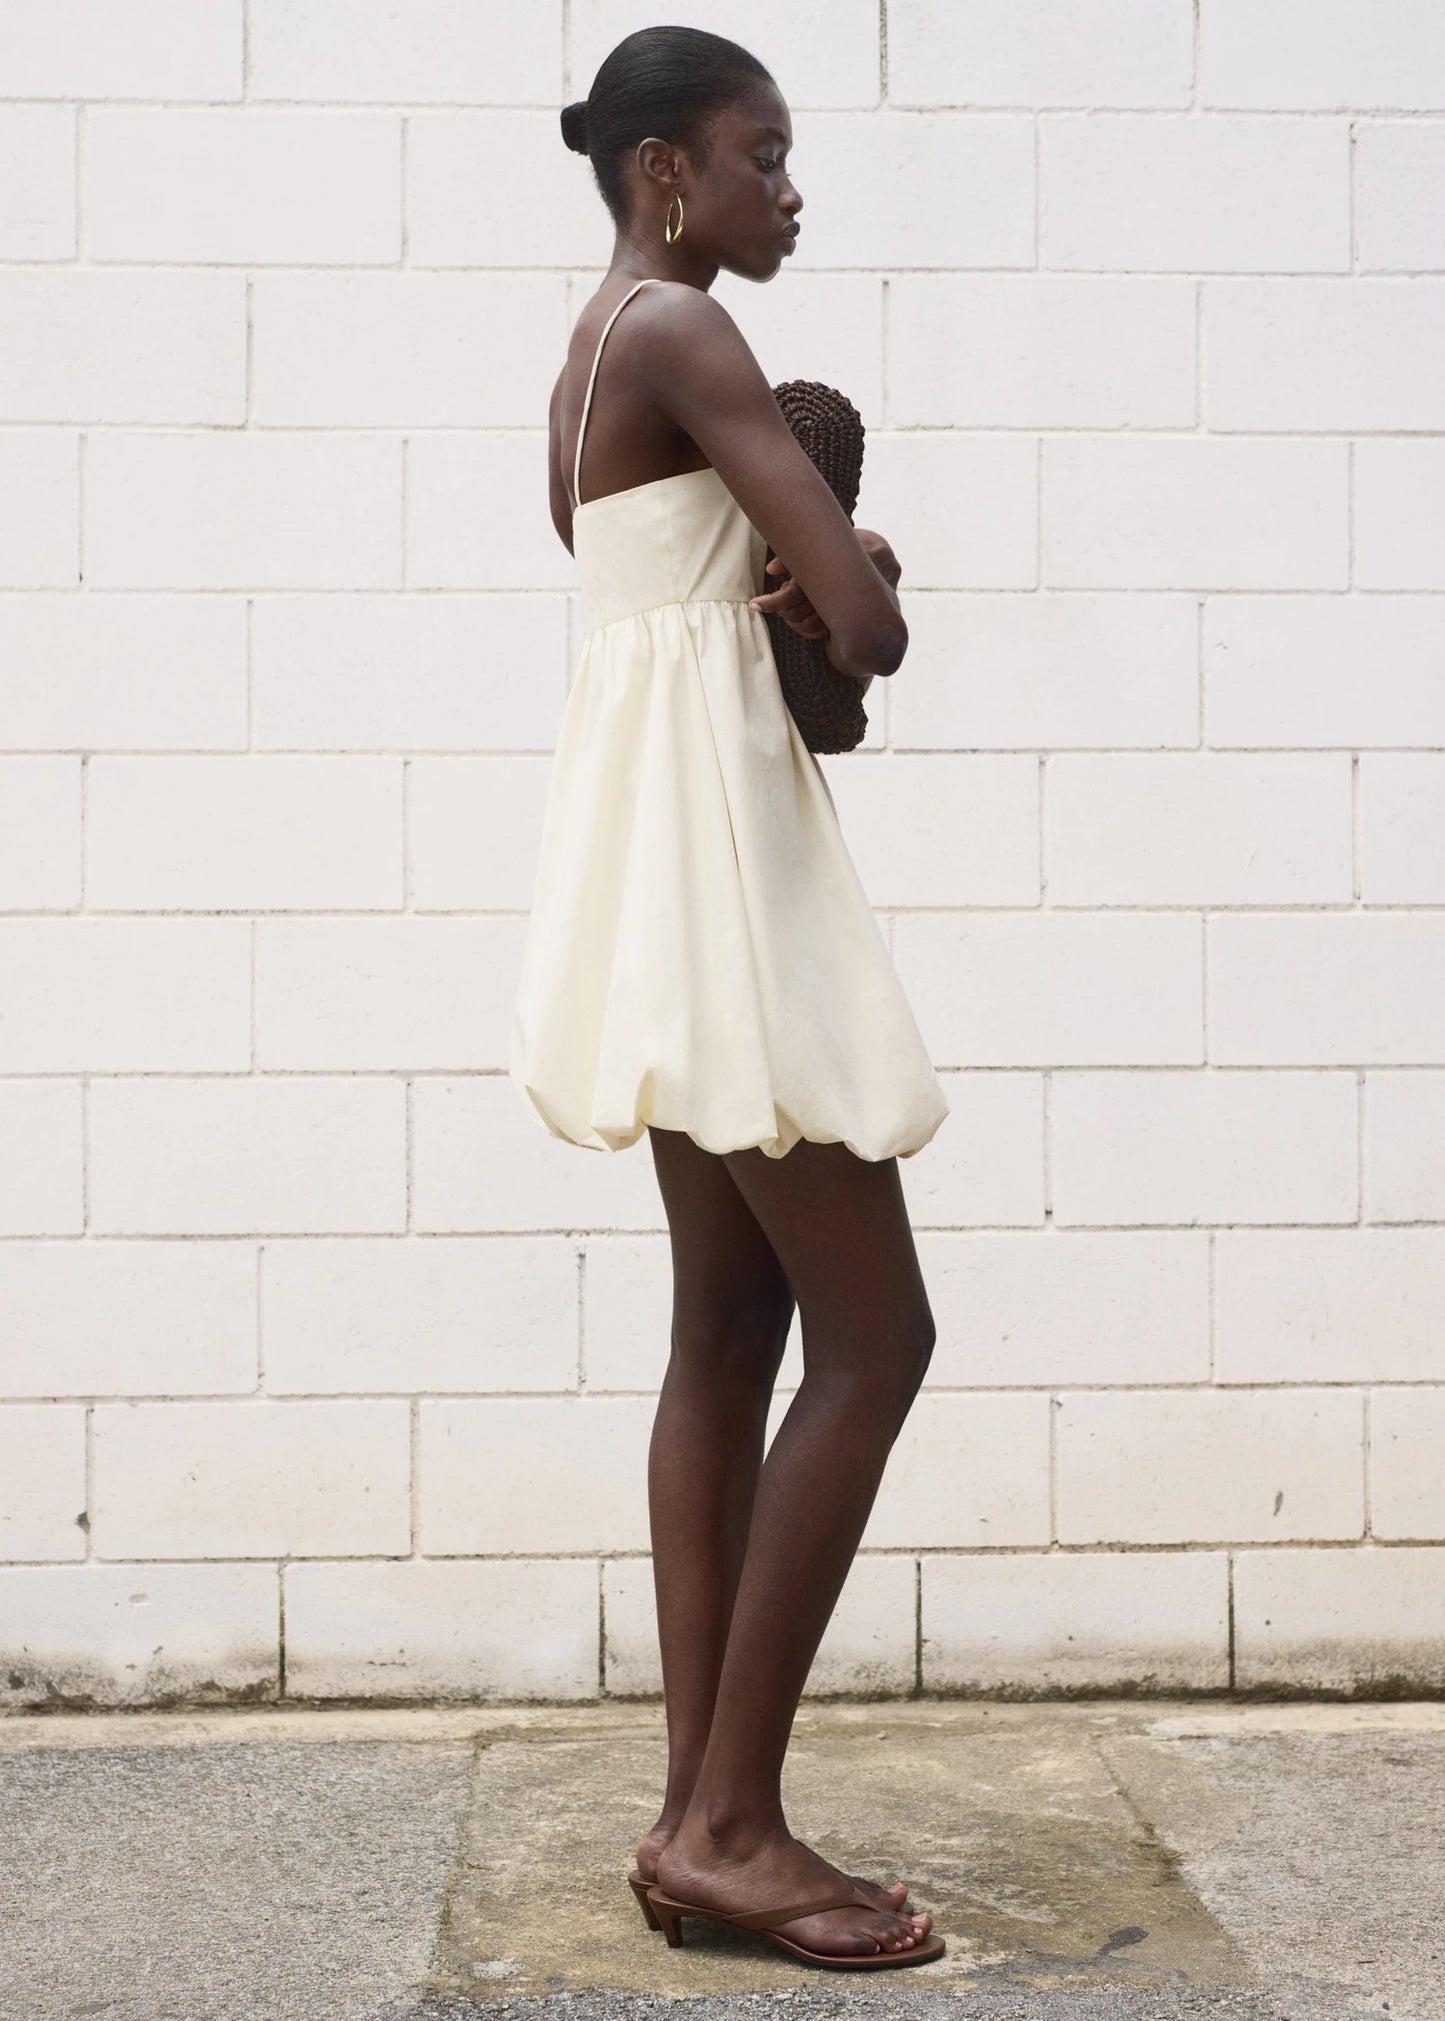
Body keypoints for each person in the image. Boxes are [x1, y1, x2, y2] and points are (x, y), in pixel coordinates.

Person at [509, 25, 950, 1970]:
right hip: (725, 876)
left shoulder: (583, 356)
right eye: (764, 155)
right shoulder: (685, 329)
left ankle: (697, 1812)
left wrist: (802, 569)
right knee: (877, 1335)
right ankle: (730, 1822)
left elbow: (694, 597)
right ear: (665, 174)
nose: (791, 189)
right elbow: (852, 628)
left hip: (650, 871)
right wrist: (860, 575)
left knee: (727, 1324)